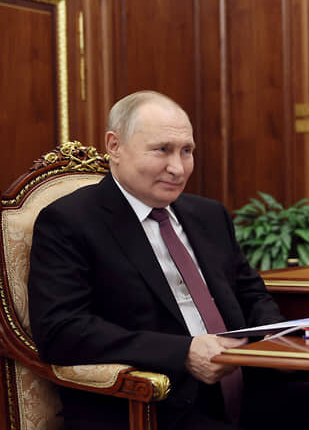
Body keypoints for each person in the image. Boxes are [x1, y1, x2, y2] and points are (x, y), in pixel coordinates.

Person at [28, 91, 285, 429]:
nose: (177, 168)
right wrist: (184, 352)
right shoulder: (70, 221)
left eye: (186, 151)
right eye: (162, 150)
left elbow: (251, 294)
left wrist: (277, 342)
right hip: (154, 404)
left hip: (251, 388)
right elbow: (62, 330)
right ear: (114, 146)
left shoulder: (209, 215)